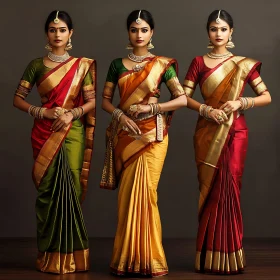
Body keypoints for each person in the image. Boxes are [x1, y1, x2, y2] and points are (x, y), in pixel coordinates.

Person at [183, 9, 271, 274]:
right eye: (213, 28)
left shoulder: (243, 64)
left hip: (235, 131)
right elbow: (184, 96)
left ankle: (230, 255)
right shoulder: (198, 62)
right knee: (210, 190)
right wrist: (206, 110)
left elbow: (266, 96)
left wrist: (240, 102)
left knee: (230, 188)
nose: (218, 33)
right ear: (207, 32)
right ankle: (208, 256)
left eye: (223, 29)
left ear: (231, 32)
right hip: (207, 132)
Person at [100, 9, 187, 277]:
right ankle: (126, 260)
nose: (139, 35)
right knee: (127, 198)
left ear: (152, 33)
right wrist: (119, 116)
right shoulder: (116, 65)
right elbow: (105, 101)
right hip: (126, 135)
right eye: (134, 30)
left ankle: (151, 260)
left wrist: (154, 108)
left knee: (147, 196)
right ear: (128, 32)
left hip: (153, 136)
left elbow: (181, 99)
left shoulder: (163, 64)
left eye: (144, 30)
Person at [13, 10, 96, 274]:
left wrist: (73, 112)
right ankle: (48, 257)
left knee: (70, 189)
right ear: (46, 33)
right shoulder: (36, 65)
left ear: (71, 33)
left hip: (72, 132)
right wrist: (43, 112)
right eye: (52, 29)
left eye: (62, 30)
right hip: (44, 132)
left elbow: (92, 101)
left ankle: (72, 257)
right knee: (48, 193)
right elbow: (18, 99)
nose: (57, 34)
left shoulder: (81, 66)